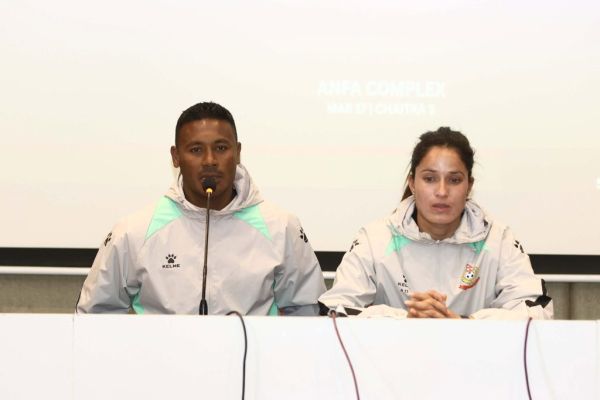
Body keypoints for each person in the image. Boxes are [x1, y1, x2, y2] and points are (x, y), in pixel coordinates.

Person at [77, 102, 326, 315]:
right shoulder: (134, 232)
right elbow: (95, 315)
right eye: (196, 150)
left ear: (238, 152)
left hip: (253, 358)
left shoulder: (281, 227)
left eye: (221, 148)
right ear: (176, 157)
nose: (209, 161)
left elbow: (308, 314)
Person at [319, 127, 553, 319]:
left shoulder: (498, 239)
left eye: (454, 180)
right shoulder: (375, 239)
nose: (442, 191)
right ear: (412, 183)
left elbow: (537, 310)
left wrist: (464, 322)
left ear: (469, 186)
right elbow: (335, 309)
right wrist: (406, 319)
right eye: (430, 179)